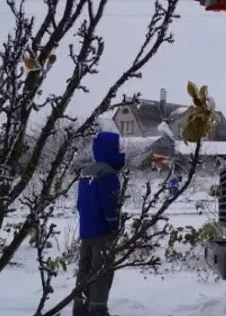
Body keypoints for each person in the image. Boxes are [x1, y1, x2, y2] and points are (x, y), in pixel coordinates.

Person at [73, 131, 126, 316]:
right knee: (101, 273)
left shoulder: (86, 172)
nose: (121, 151)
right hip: (103, 233)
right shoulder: (108, 174)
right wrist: (114, 225)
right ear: (110, 150)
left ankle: (80, 308)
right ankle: (97, 310)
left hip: (86, 232)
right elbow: (109, 204)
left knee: (84, 270)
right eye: (118, 148)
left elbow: (80, 204)